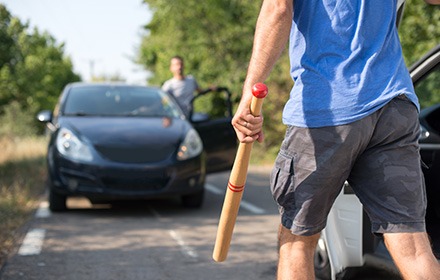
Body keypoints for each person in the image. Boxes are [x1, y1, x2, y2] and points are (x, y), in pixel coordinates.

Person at [231, 0, 440, 279]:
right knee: (413, 245)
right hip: (394, 105)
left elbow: (278, 8)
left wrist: (249, 91)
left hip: (328, 107)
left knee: (297, 242)